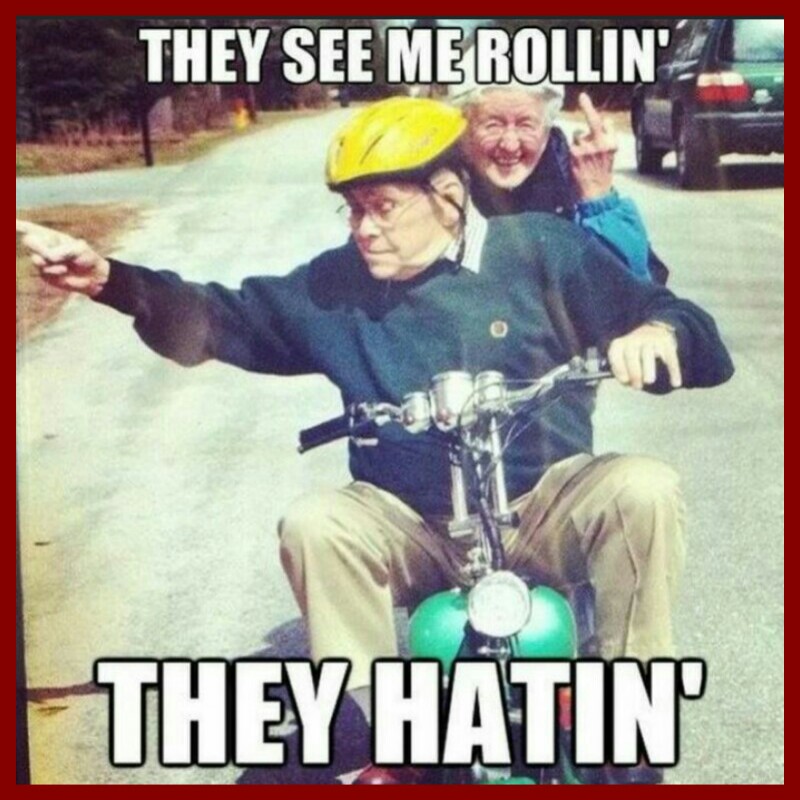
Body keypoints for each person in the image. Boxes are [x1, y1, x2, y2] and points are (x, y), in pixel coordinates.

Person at [16, 97, 733, 784]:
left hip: (543, 504)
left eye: (382, 206)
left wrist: (658, 334)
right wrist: (109, 280)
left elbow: (682, 321)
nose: (363, 229)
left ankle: (625, 718)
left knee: (643, 488)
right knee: (316, 522)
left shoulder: (544, 250)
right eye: (354, 209)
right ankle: (384, 740)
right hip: (409, 524)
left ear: (448, 194)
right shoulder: (337, 286)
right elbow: (218, 318)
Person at [452, 51, 667, 284]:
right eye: (493, 125)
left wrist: (600, 203)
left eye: (526, 125)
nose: (510, 144)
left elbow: (638, 289)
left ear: (546, 130)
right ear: (464, 129)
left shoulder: (574, 183)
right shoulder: (437, 187)